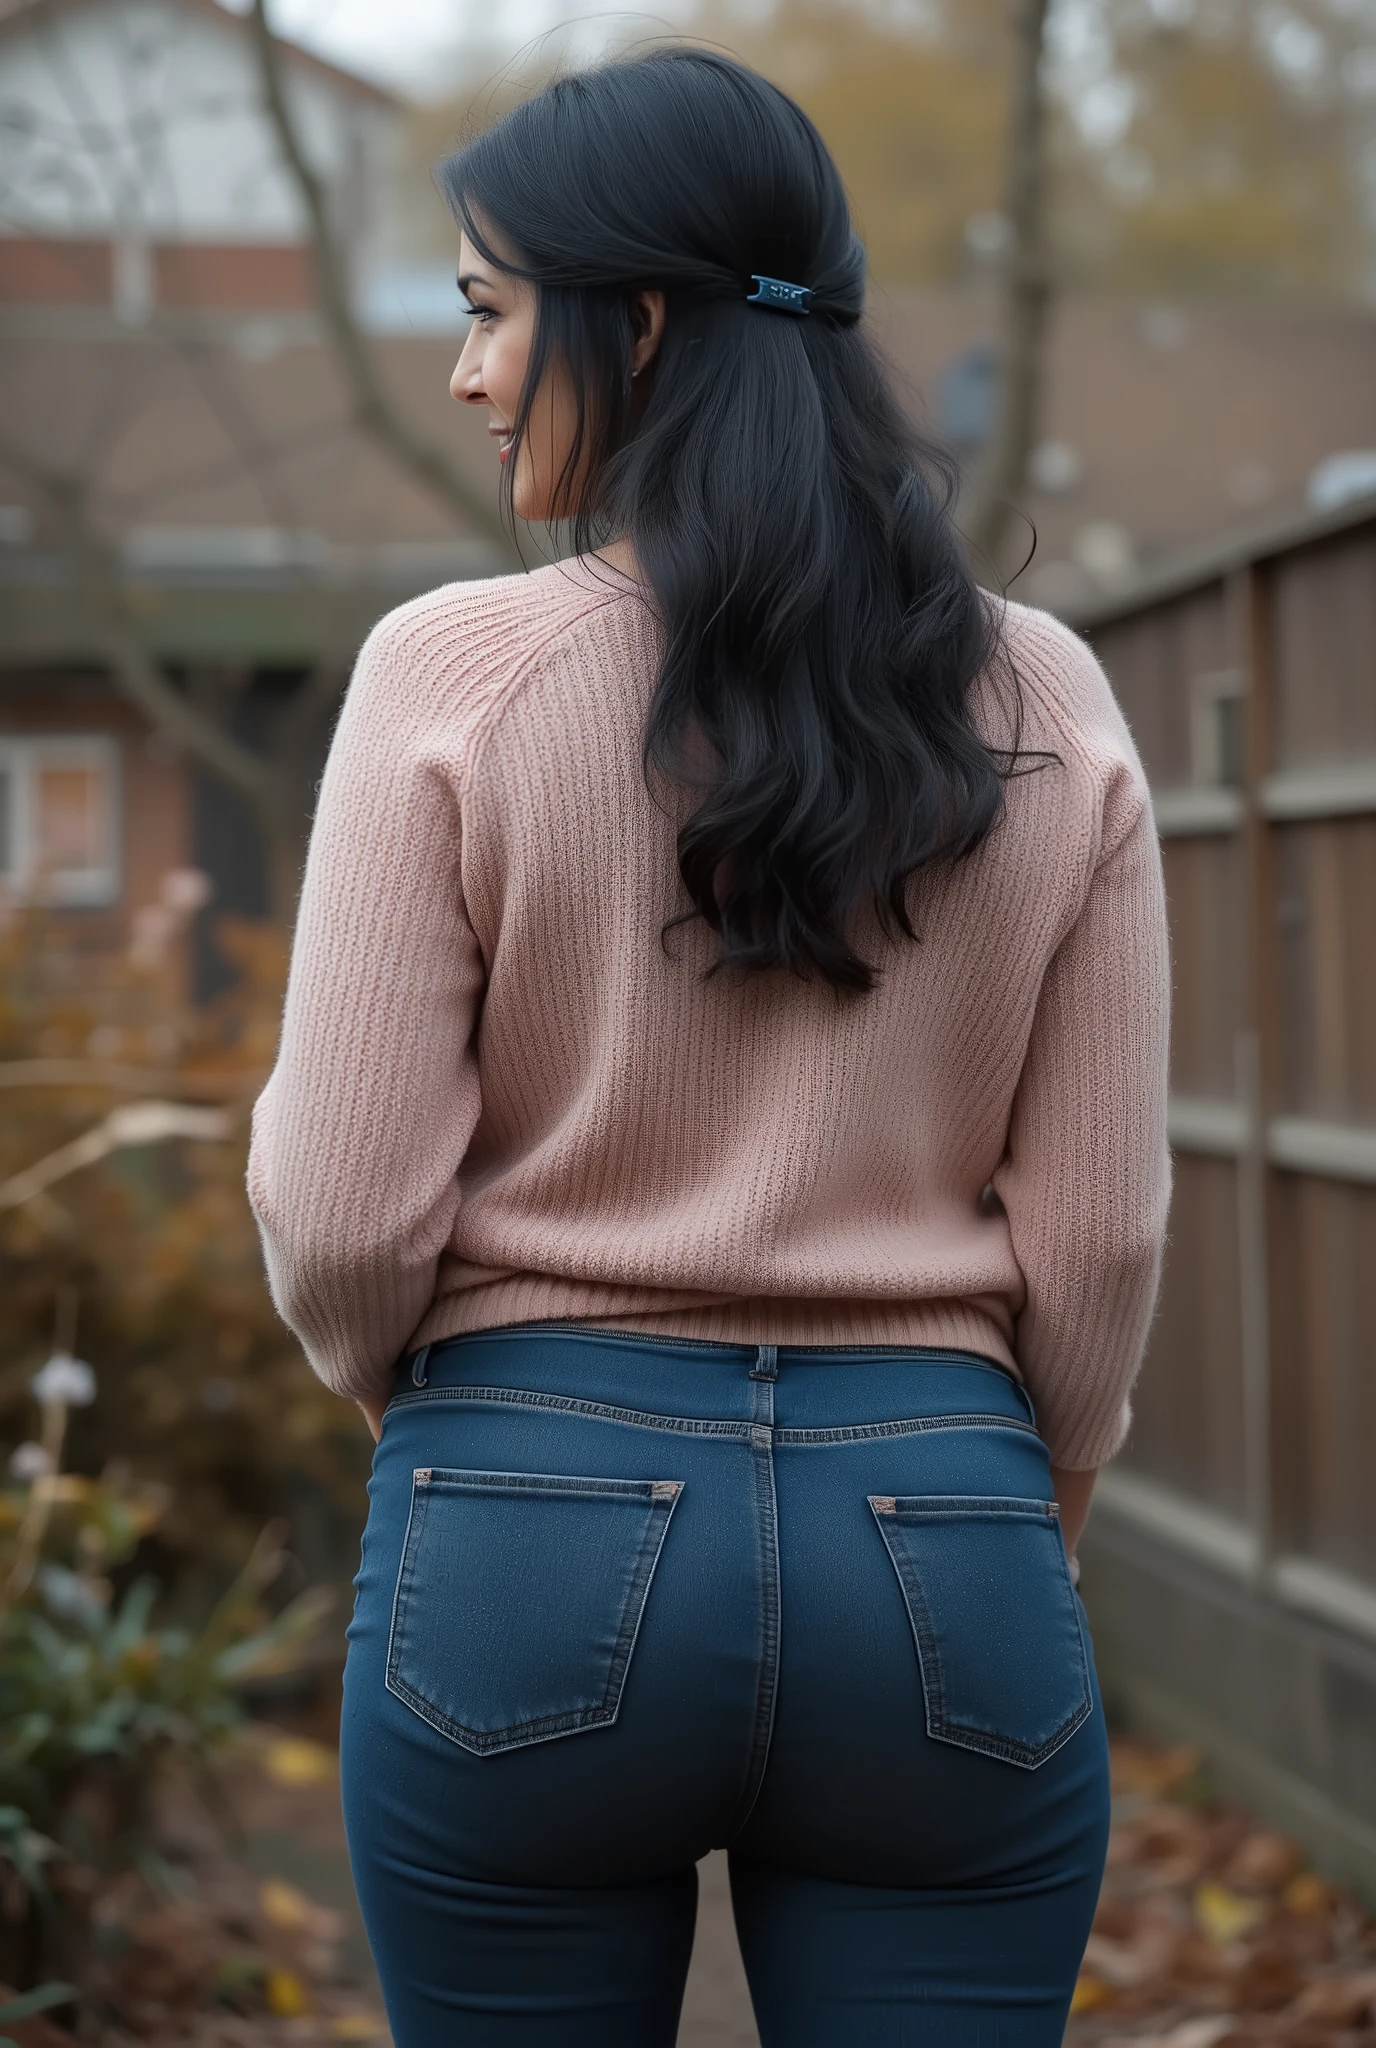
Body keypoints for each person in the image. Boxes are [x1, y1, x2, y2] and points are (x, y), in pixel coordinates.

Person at [248, 45, 1171, 2048]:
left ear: (638, 318)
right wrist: (1038, 1498)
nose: (468, 373)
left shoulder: (453, 674)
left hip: (520, 1502)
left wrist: (437, 1428)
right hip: (947, 1531)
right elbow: (1094, 1239)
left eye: (491, 309)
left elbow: (336, 1217)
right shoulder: (1045, 692)